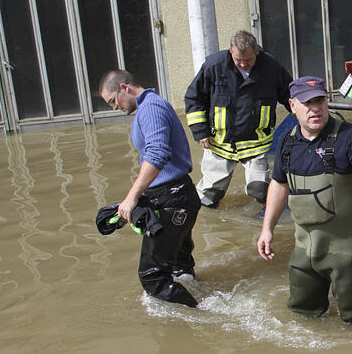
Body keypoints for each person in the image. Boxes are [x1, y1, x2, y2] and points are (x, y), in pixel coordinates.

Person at [256, 76, 352, 323]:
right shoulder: (287, 141)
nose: (315, 108)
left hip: (348, 251)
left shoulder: (350, 137)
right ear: (292, 106)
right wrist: (267, 229)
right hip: (305, 248)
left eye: (320, 101)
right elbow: (279, 184)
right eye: (307, 102)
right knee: (303, 317)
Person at [98, 69, 201, 308]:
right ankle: (196, 299)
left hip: (173, 199)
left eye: (112, 101)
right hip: (176, 197)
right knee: (178, 265)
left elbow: (157, 154)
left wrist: (131, 198)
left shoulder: (150, 108)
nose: (114, 107)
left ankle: (202, 320)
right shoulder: (151, 106)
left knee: (152, 275)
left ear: (124, 88)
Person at [185, 30, 292, 208]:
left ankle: (265, 222)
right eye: (238, 60)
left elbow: (290, 97)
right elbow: (193, 98)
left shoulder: (271, 67)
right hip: (220, 144)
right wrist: (200, 132)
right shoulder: (214, 66)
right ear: (230, 51)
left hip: (255, 144)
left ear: (257, 50)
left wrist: (308, 121)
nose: (242, 64)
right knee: (209, 196)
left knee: (260, 190)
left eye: (248, 60)